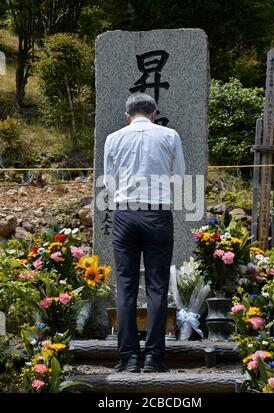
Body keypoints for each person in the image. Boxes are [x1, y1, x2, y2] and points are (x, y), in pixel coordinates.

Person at [103, 93, 185, 373]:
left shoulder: (113, 138)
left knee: (125, 287)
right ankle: (153, 356)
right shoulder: (170, 135)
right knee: (157, 286)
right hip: (158, 213)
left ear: (127, 115)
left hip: (125, 213)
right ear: (153, 113)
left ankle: (128, 357)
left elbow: (110, 181)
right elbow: (178, 177)